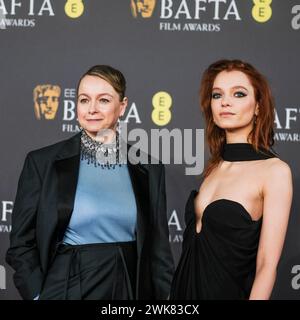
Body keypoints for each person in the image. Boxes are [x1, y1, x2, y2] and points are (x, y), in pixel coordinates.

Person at [6, 65, 174, 300]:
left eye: (103, 100)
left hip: (126, 287)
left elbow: (158, 251)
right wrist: (37, 295)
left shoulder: (149, 168)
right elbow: (21, 244)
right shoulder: (42, 162)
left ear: (122, 106)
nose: (92, 109)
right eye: (84, 100)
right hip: (65, 287)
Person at [170, 59, 293, 300]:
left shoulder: (274, 171)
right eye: (217, 95)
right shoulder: (214, 168)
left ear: (258, 106)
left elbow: (266, 266)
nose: (225, 102)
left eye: (238, 93)